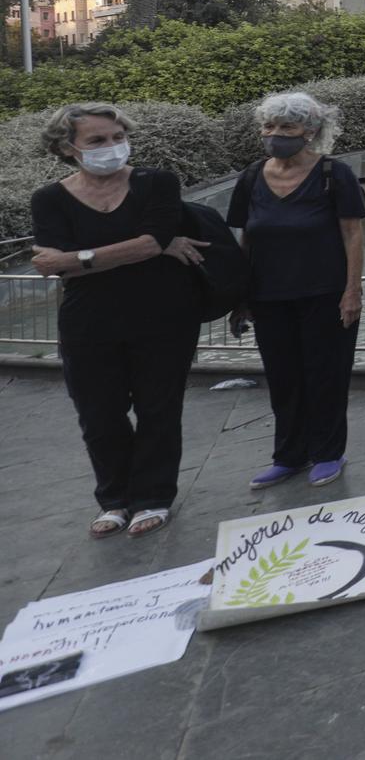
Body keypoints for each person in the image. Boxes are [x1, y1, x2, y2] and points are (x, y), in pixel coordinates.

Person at [30, 104, 208, 538]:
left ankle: (153, 496)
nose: (112, 147)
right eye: (97, 141)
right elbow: (52, 267)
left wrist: (81, 256)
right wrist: (141, 247)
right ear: (67, 148)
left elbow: (150, 243)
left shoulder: (156, 182)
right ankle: (114, 498)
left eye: (117, 137)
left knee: (158, 410)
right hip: (88, 322)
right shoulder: (49, 199)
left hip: (164, 316)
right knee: (98, 413)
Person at [227, 91, 365, 490]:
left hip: (325, 294)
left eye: (286, 127)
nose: (275, 134)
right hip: (269, 297)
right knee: (283, 378)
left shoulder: (332, 173)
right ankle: (289, 455)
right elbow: (245, 238)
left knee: (326, 376)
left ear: (310, 131)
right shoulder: (252, 176)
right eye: (269, 127)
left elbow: (353, 234)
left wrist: (352, 291)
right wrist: (240, 297)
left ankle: (327, 452)